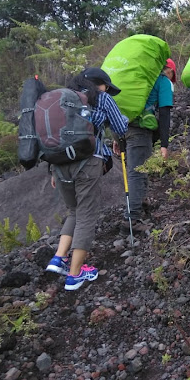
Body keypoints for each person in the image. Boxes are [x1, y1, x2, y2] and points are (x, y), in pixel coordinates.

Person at [45, 68, 128, 291]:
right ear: (97, 84)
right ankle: (74, 275)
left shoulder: (62, 98)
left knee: (73, 211)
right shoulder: (102, 98)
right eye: (106, 86)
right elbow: (120, 127)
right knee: (86, 215)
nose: (107, 90)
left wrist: (52, 169)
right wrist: (124, 119)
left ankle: (59, 257)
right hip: (88, 161)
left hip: (60, 163)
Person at [114, 59, 175, 232]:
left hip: (121, 126)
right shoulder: (162, 81)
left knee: (136, 168)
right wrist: (164, 144)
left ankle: (140, 201)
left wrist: (116, 137)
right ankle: (131, 219)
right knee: (137, 172)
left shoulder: (137, 78)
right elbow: (164, 114)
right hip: (139, 129)